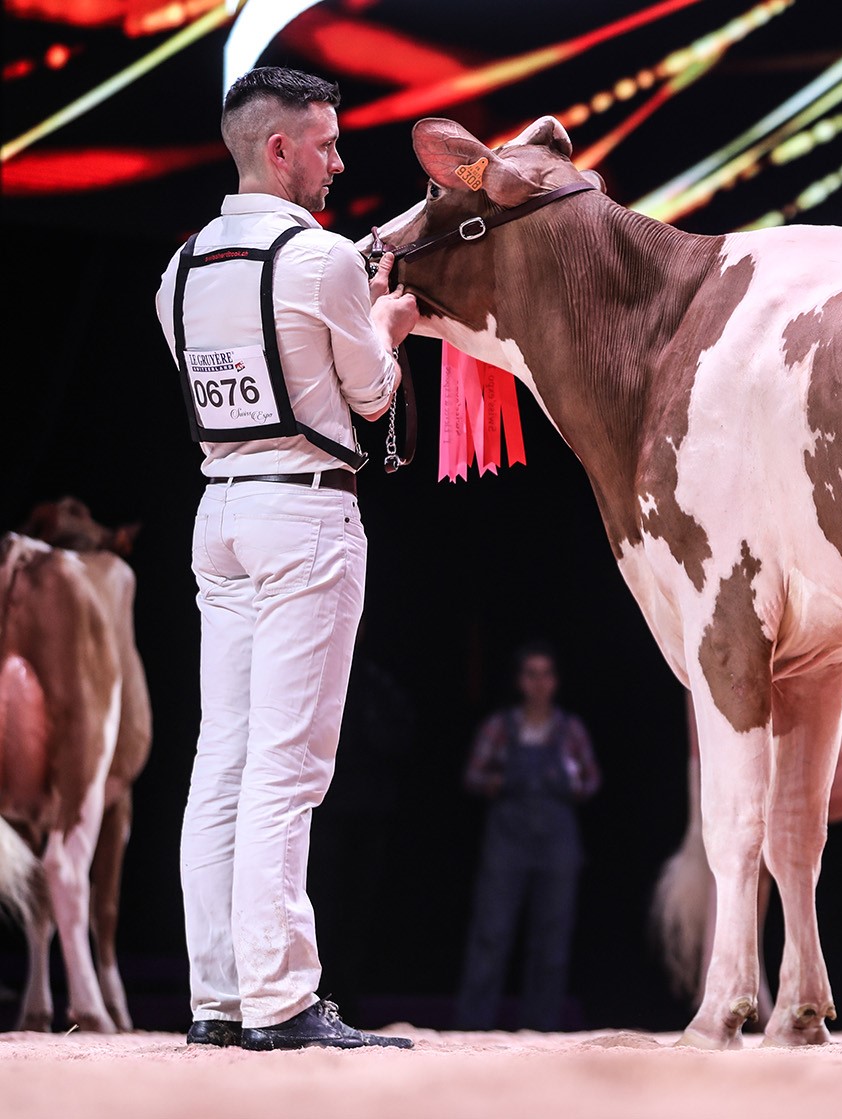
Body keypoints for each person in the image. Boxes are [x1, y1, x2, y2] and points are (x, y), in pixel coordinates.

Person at [154, 66, 419, 1050]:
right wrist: (387, 324)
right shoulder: (321, 263)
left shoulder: (175, 273)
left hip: (217, 511)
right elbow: (373, 396)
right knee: (286, 765)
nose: (339, 159)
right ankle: (278, 1000)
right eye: (326, 141)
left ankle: (217, 997)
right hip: (303, 515)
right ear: (279, 149)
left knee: (219, 757)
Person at [454, 642, 602, 1031]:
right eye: (531, 674)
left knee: (551, 940)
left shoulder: (569, 730)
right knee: (492, 934)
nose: (539, 683)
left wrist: (565, 782)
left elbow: (590, 782)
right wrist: (502, 781)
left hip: (557, 845)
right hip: (507, 842)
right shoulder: (500, 727)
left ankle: (542, 1028)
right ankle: (472, 1026)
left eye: (546, 674)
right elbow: (472, 776)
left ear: (555, 681)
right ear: (521, 681)